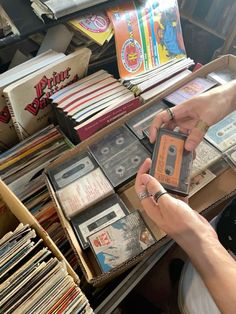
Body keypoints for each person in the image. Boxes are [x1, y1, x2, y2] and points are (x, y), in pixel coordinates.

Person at [135, 80, 236, 314]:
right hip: (225, 233)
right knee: (186, 283)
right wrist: (227, 96)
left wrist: (198, 239)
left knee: (189, 302)